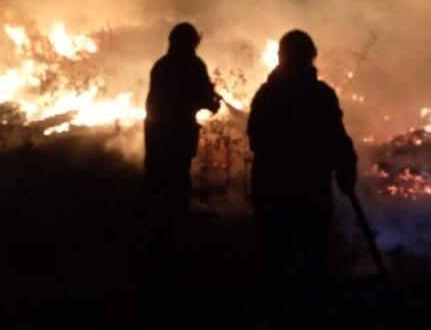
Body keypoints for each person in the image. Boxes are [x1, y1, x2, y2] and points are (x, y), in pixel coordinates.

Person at [246, 29, 357, 276]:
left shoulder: (267, 95)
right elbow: (337, 140)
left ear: (281, 57)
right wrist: (345, 169)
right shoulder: (321, 95)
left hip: (272, 193)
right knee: (310, 260)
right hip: (311, 194)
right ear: (311, 56)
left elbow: (255, 140)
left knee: (274, 262)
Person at [144, 22, 220, 232]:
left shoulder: (161, 65)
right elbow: (199, 97)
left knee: (156, 181)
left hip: (156, 133)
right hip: (178, 134)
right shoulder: (194, 65)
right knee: (177, 184)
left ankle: (155, 229)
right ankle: (176, 230)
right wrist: (212, 102)